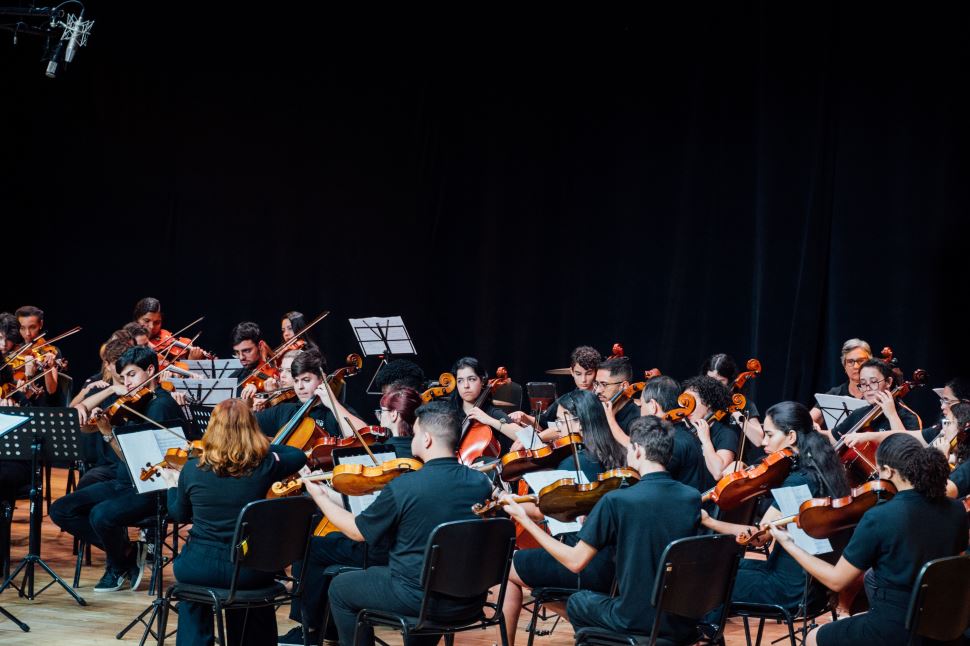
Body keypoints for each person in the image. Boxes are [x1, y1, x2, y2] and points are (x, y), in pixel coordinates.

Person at [304, 401, 493, 646]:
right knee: (414, 576)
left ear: (426, 439)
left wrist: (320, 497)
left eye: (414, 433)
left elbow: (357, 531)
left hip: (422, 599)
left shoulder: (405, 486)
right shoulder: (482, 482)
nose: (412, 439)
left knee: (340, 588)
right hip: (471, 599)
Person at [502, 415, 701, 643]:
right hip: (682, 621)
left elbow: (575, 562)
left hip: (635, 618)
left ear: (636, 450)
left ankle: (605, 639)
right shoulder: (691, 497)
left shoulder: (617, 500)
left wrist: (525, 521)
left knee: (579, 601)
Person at [770, 433, 969, 646]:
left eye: (879, 472)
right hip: (942, 627)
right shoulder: (957, 510)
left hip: (895, 629)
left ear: (889, 471)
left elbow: (836, 581)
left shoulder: (880, 516)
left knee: (812, 638)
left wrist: (789, 544)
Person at [278, 387, 424, 645]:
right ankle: (330, 627)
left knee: (312, 547)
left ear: (393, 416)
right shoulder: (423, 456)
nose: (378, 418)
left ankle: (311, 629)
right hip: (415, 554)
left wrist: (319, 494)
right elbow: (362, 503)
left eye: (382, 412)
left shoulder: (381, 456)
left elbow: (361, 519)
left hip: (380, 551)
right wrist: (322, 489)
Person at [163, 399, 306, 646]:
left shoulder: (192, 469)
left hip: (199, 567)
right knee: (249, 599)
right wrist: (261, 446)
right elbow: (298, 455)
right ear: (252, 428)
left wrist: (171, 486)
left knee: (194, 595)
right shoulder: (265, 465)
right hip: (250, 569)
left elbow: (178, 514)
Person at [49, 345, 185, 592]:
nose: (127, 382)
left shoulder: (159, 407)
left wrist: (108, 434)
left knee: (101, 515)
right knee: (61, 509)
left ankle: (117, 563)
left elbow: (144, 464)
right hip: (125, 481)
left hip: (153, 488)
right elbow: (123, 458)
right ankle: (126, 553)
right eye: (123, 378)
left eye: (132, 374)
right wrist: (90, 417)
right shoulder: (135, 402)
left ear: (151, 369)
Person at [500, 388, 627, 645]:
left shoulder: (574, 463)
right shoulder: (619, 453)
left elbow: (550, 512)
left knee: (503, 566)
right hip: (619, 564)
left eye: (560, 421)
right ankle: (594, 628)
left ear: (578, 421)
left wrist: (507, 502)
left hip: (585, 561)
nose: (556, 428)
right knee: (539, 584)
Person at [701, 402, 851, 611]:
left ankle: (707, 636)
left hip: (787, 589)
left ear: (791, 437)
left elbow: (759, 536)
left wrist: (708, 521)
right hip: (813, 587)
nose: (763, 442)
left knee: (705, 578)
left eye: (770, 435)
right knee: (720, 565)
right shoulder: (824, 471)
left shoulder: (799, 481)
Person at [636, 375, 708, 491]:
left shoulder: (671, 442)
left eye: (642, 404)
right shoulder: (682, 433)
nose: (640, 410)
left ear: (653, 406)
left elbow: (651, 488)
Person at [253, 349, 346, 440]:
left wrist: (333, 403)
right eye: (296, 380)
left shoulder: (333, 413)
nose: (300, 386)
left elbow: (359, 435)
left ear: (322, 379)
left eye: (306, 380)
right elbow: (243, 422)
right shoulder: (286, 409)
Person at [509, 345, 602, 434]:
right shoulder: (566, 399)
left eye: (589, 374)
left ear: (597, 372)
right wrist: (523, 416)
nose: (583, 379)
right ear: (571, 372)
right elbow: (542, 424)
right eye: (578, 374)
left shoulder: (603, 397)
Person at [830, 359, 921, 445]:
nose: (868, 388)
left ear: (888, 382)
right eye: (863, 383)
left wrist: (892, 414)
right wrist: (816, 429)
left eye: (873, 382)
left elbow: (906, 448)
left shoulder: (908, 417)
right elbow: (833, 437)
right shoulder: (860, 413)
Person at [701, 353, 766, 464]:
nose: (714, 386)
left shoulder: (743, 404)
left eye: (721, 381)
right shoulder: (700, 402)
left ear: (731, 381)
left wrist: (736, 413)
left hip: (735, 469)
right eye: (710, 380)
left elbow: (759, 440)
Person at [449, 356, 518, 453]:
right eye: (460, 380)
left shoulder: (492, 413)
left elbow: (527, 438)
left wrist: (489, 420)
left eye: (471, 379)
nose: (466, 385)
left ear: (482, 381)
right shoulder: (448, 413)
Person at [682, 375, 739, 480]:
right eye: (684, 403)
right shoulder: (683, 430)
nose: (686, 409)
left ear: (708, 403)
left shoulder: (726, 434)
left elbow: (718, 472)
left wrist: (706, 440)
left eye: (691, 402)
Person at [810, 338, 872, 427]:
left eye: (861, 361)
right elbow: (808, 420)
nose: (856, 366)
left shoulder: (877, 393)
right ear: (844, 366)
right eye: (850, 362)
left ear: (870, 363)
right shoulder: (835, 394)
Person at [132, 297, 206, 360]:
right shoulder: (125, 341)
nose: (152, 326)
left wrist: (191, 362)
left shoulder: (166, 341)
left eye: (157, 322)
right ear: (136, 320)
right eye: (146, 321)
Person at [15, 305, 60, 405]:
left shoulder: (50, 351)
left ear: (41, 324)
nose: (27, 333)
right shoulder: (14, 352)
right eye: (22, 328)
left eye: (32, 327)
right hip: (18, 406)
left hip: (43, 407)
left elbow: (51, 390)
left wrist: (47, 368)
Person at [594, 356, 641, 442]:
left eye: (604, 384)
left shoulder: (636, 422)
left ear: (624, 386)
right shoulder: (600, 408)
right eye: (597, 384)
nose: (597, 390)